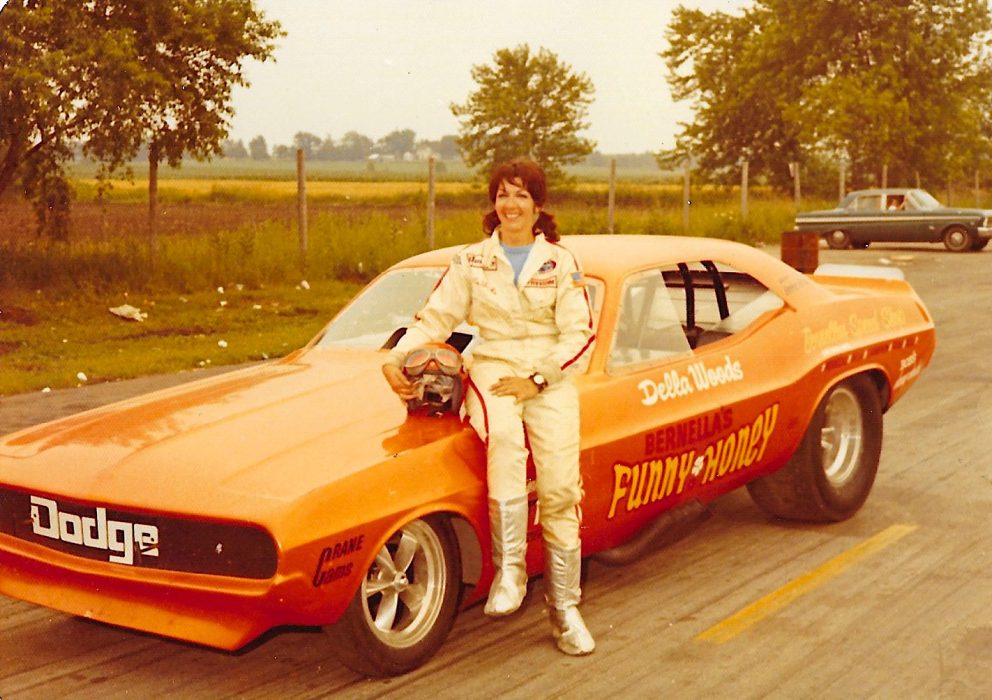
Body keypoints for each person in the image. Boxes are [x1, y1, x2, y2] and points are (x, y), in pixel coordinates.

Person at [381, 157, 596, 655]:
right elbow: (435, 317)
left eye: (522, 195)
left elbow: (580, 334)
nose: (511, 204)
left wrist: (539, 379)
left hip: (550, 374)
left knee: (562, 488)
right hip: (495, 366)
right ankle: (511, 573)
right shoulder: (471, 260)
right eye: (502, 194)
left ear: (539, 206)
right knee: (503, 438)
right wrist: (395, 359)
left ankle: (566, 609)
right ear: (492, 203)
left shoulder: (561, 263)